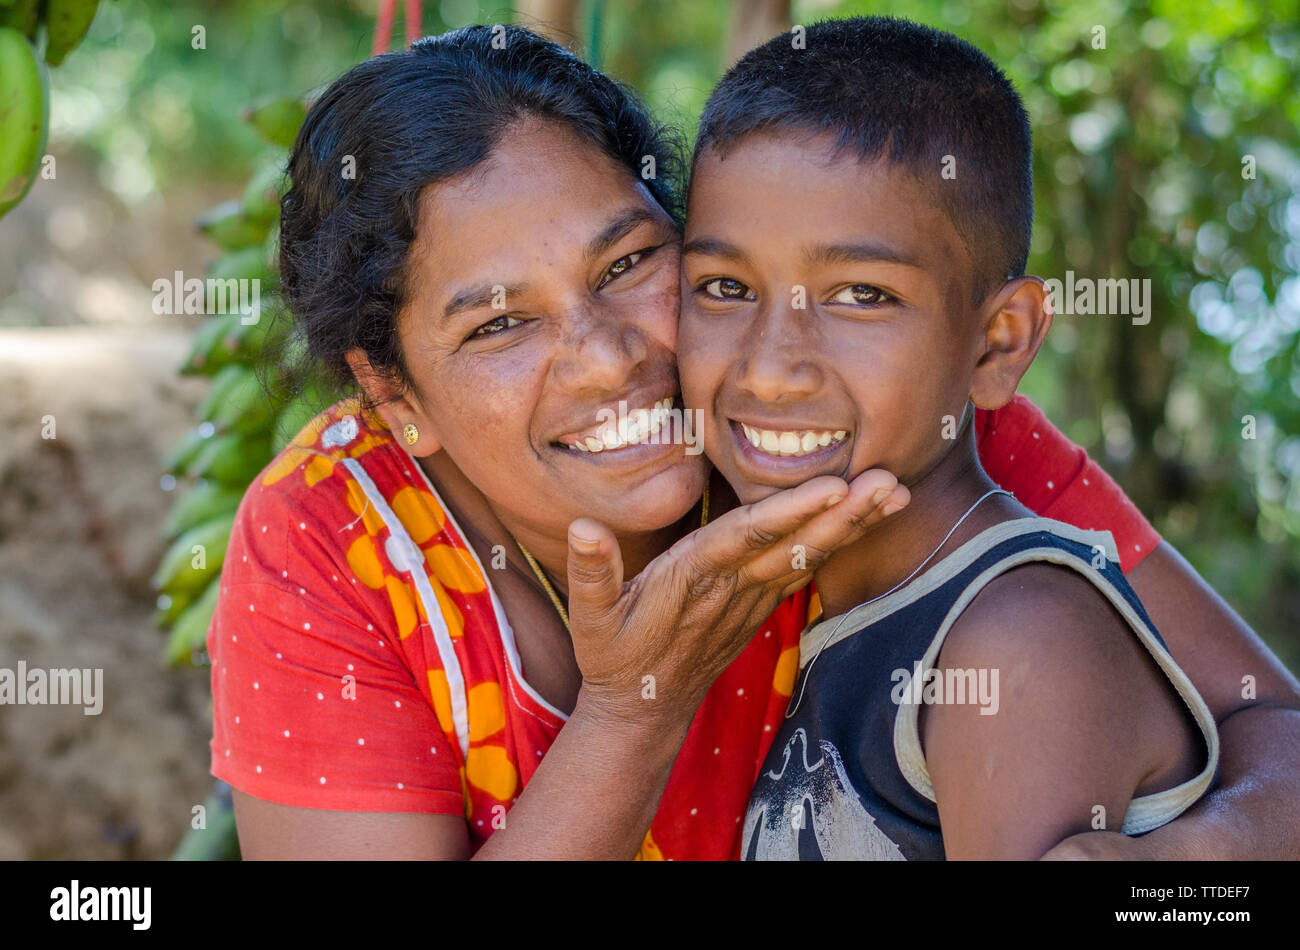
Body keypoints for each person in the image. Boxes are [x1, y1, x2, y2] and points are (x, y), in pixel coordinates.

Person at [208, 24, 1300, 860]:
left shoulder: (881, 425)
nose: (603, 359)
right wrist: (635, 708)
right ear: (393, 391)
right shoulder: (331, 542)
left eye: (630, 264)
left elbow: (1273, 729)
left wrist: (1186, 866)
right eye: (498, 323)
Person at [678, 15, 1219, 860]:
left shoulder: (1015, 641)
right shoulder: (855, 612)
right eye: (722, 285)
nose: (770, 369)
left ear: (998, 341)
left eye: (861, 294)